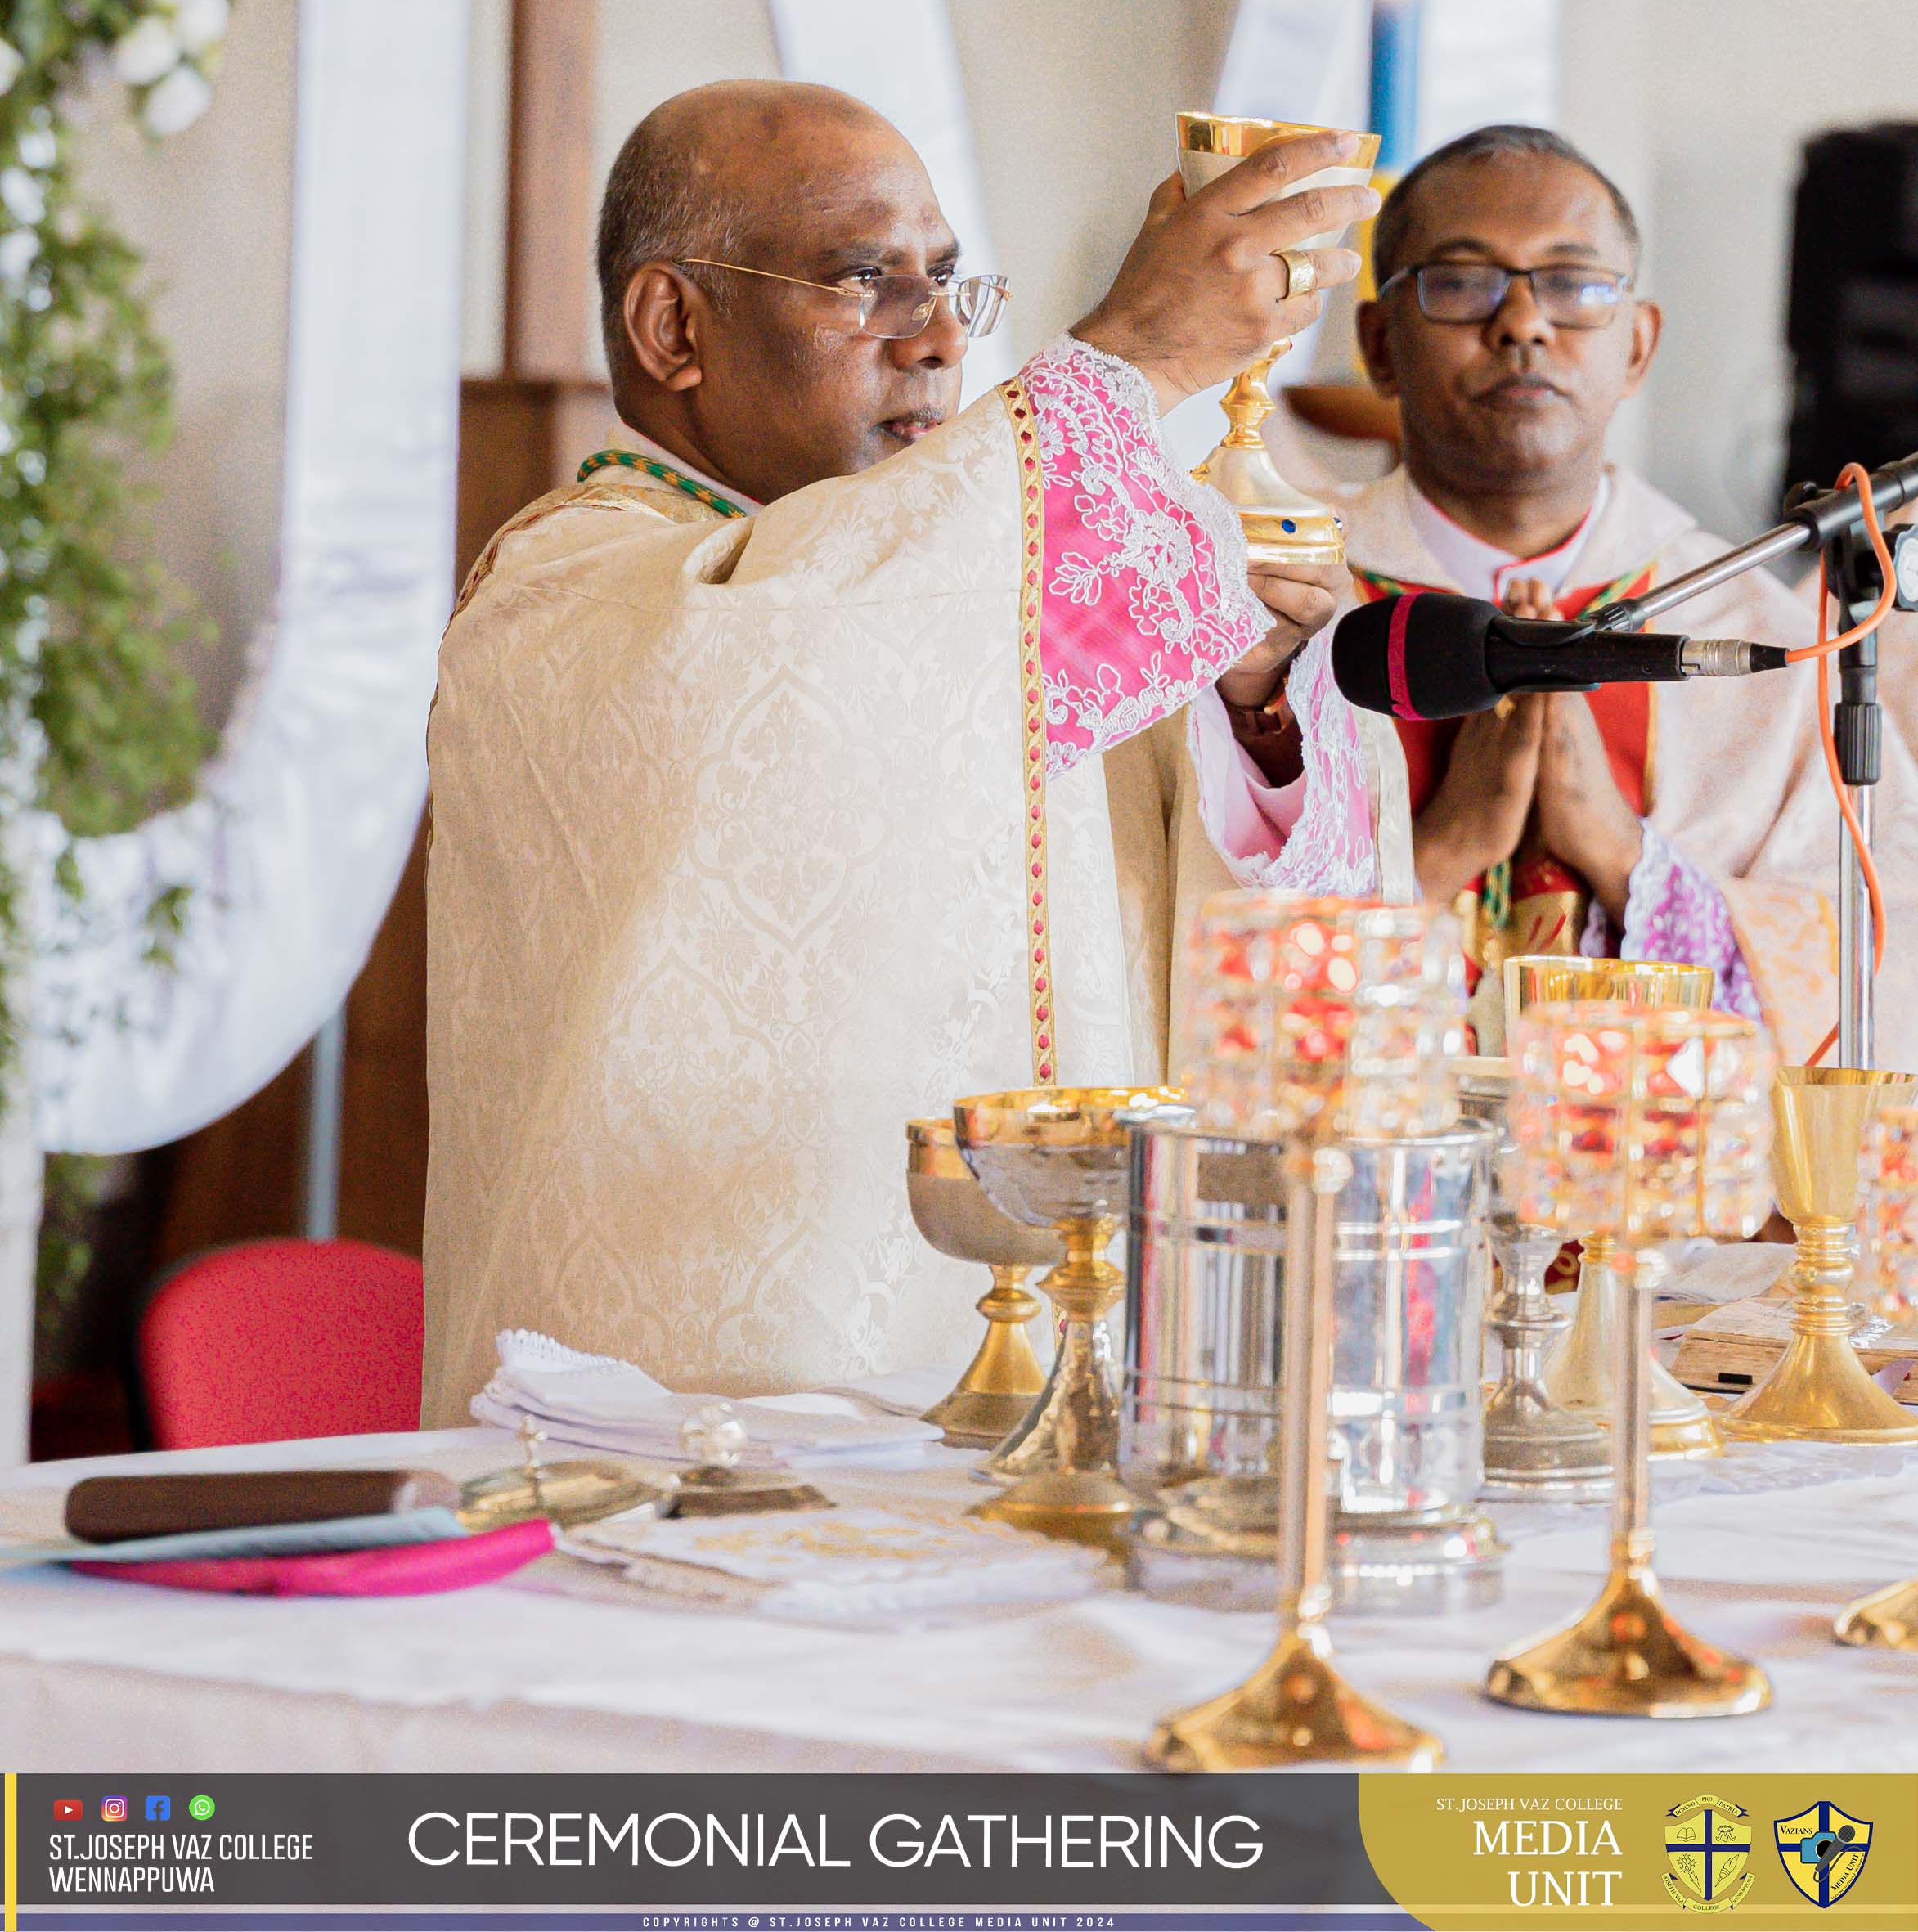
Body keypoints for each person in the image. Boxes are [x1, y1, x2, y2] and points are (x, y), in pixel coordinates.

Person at [421, 82, 1411, 1414]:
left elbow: (1207, 925)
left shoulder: (986, 585)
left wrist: (1255, 712)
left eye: (947, 280)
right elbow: (785, 659)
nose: (940, 335)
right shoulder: (566, 594)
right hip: (694, 1440)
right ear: (673, 325)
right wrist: (1140, 359)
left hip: (1071, 1394)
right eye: (862, 278)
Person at [1342, 121, 1918, 1064]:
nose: (1521, 322)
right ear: (1377, 342)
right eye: (1459, 281)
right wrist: (1442, 846)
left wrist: (1618, 852)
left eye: (1572, 285)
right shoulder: (1283, 618)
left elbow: (1872, 977)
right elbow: (1187, 964)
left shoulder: (1763, 638)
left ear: (1637, 345)